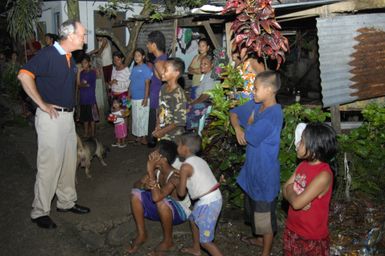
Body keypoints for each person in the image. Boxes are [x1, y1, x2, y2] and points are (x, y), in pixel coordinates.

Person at [18, 20, 90, 229]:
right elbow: (24, 75)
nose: (84, 39)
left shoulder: (68, 57)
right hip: (52, 118)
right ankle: (39, 211)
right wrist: (41, 104)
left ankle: (66, 202)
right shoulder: (49, 54)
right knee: (49, 166)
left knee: (68, 162)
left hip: (67, 118)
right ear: (70, 36)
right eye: (82, 35)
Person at [229, 70, 283, 256]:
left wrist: (249, 124)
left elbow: (250, 137)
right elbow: (234, 113)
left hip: (264, 174)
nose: (253, 92)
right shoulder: (257, 104)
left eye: (256, 88)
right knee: (254, 211)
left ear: (269, 90)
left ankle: (265, 251)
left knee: (264, 217)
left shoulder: (273, 115)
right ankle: (259, 239)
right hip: (252, 171)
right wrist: (237, 128)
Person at [127, 140, 191, 255]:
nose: (151, 154)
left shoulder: (175, 177)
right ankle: (142, 235)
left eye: (155, 153)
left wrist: (150, 172)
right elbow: (136, 184)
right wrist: (144, 185)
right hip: (163, 209)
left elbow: (157, 198)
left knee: (161, 202)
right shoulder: (158, 170)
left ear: (163, 160)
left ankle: (168, 241)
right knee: (135, 194)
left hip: (179, 212)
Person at [283, 122, 337, 255]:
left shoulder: (324, 175)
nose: (297, 144)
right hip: (292, 229)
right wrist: (293, 194)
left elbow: (295, 203)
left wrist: (292, 193)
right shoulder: (302, 165)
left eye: (301, 141)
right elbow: (284, 189)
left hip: (311, 237)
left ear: (313, 147)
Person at [176, 133, 223, 256]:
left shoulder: (185, 167)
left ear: (185, 148)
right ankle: (196, 250)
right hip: (213, 198)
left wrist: (179, 180)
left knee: (206, 242)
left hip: (209, 203)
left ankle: (201, 247)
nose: (177, 148)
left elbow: (181, 193)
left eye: (178, 145)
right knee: (193, 219)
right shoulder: (199, 160)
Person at [152, 58, 187, 141]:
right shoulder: (163, 88)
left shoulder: (178, 94)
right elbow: (161, 108)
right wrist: (158, 125)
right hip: (163, 131)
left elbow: (180, 121)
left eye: (165, 70)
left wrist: (163, 131)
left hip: (174, 136)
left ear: (176, 73)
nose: (162, 72)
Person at [146, 31, 168, 147]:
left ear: (154, 45)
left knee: (159, 129)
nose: (147, 46)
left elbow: (167, 82)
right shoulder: (162, 59)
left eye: (148, 43)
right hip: (157, 100)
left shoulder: (159, 62)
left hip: (158, 101)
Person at [186, 55, 216, 131]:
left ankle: (190, 132)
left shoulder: (211, 76)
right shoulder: (206, 75)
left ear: (211, 65)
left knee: (189, 109)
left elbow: (206, 95)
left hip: (206, 104)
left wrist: (193, 103)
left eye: (205, 64)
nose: (202, 66)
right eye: (201, 64)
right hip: (200, 101)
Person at [129, 48, 152, 145]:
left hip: (142, 98)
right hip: (134, 98)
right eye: (135, 56)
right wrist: (128, 94)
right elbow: (131, 82)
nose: (136, 57)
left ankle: (143, 138)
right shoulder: (134, 69)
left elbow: (147, 84)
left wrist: (146, 98)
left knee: (143, 118)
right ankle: (138, 136)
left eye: (138, 55)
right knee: (136, 118)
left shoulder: (146, 68)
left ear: (143, 57)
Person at [77, 54, 99, 138]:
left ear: (89, 63)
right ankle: (86, 133)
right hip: (83, 100)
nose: (83, 65)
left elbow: (82, 85)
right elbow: (79, 85)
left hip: (91, 100)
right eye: (82, 63)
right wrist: (79, 73)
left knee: (92, 119)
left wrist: (79, 75)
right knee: (85, 119)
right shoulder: (81, 73)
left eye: (85, 63)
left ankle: (93, 134)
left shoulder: (92, 73)